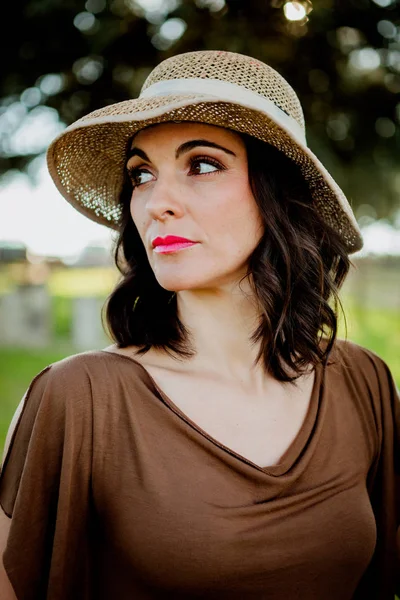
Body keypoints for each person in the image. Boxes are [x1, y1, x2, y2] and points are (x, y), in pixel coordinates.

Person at [0, 50, 399, 600]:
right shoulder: (79, 397)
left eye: (203, 164)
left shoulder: (364, 382)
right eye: (141, 174)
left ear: (277, 190)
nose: (156, 203)